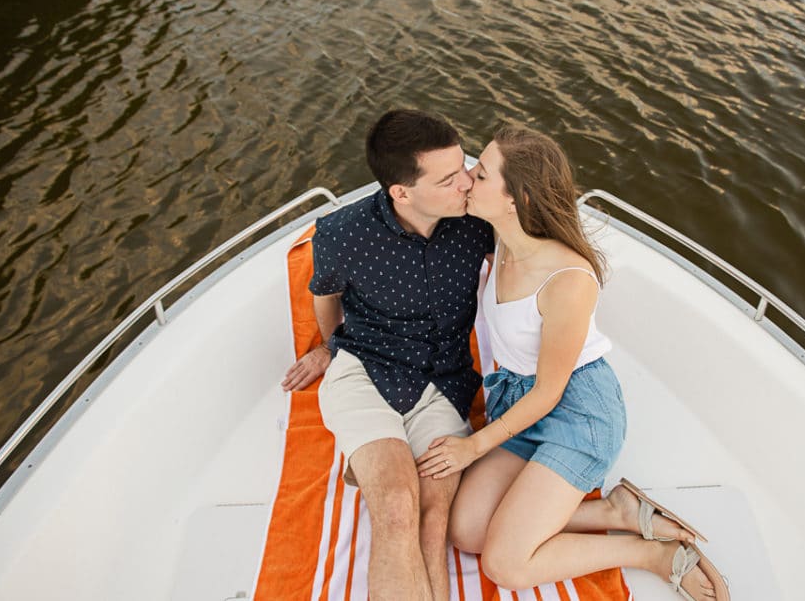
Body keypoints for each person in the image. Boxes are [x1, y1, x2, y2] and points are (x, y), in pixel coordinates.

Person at [415, 123, 730, 600]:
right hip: (518, 403)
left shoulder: (567, 279)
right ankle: (614, 511)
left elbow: (550, 392)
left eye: (480, 174)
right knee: (466, 531)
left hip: (577, 414)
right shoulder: (494, 234)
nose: (467, 179)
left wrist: (472, 448)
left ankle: (651, 554)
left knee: (505, 564)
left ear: (515, 200)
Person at [281, 109, 494, 601]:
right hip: (365, 371)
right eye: (448, 178)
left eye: (463, 165)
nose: (466, 182)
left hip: (445, 384)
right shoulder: (341, 233)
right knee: (397, 506)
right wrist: (330, 348)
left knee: (433, 517)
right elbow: (324, 295)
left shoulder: (478, 221)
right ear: (402, 192)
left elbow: (532, 260)